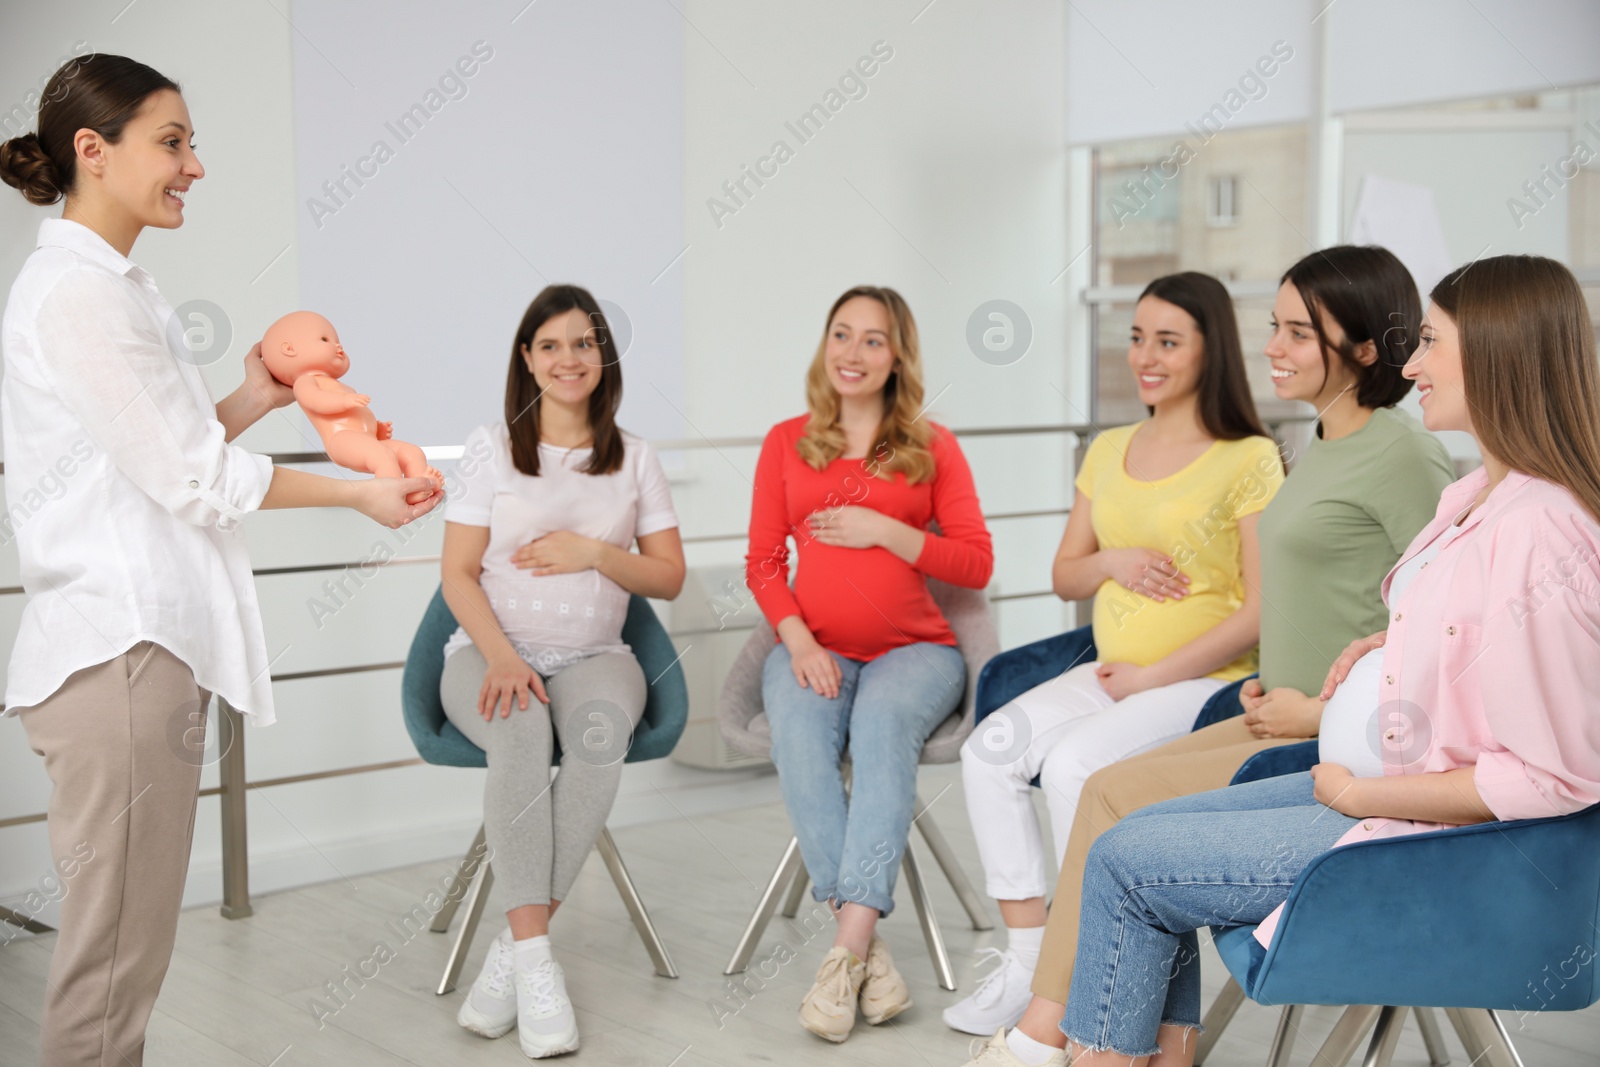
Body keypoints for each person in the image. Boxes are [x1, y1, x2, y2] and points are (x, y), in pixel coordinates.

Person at [985, 253, 1600, 1067]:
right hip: (1368, 795)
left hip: (1412, 834)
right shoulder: (1476, 496)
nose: (1413, 364)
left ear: (1497, 351)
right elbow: (1473, 632)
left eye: (1432, 343)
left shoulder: (1542, 528)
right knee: (1122, 832)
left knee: (1131, 865)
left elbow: (1555, 777)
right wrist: (1392, 641)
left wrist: (1360, 787)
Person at [0, 54, 441, 1067]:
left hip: (135, 650)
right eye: (173, 142)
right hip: (119, 652)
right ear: (91, 151)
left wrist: (249, 395)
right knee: (109, 972)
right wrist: (359, 493)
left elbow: (146, 447)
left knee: (124, 959)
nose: (195, 165)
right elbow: (191, 478)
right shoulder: (78, 295)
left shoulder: (111, 287)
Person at [949, 272, 1283, 1036]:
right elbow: (1066, 570)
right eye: (1137, 337)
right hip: (1110, 672)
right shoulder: (1108, 448)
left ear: (1211, 350)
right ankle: (1033, 961)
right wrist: (1114, 561)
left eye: (1168, 340)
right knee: (989, 747)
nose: (1146, 356)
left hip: (1203, 680)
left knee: (1075, 768)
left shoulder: (1249, 457)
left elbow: (1260, 610)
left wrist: (1152, 677)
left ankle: (1097, 984)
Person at [439, 284, 685, 1059]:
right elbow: (456, 575)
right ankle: (538, 963)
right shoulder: (490, 448)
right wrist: (503, 656)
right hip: (490, 648)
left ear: (603, 356)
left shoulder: (636, 457)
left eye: (583, 343)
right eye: (550, 345)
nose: (568, 358)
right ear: (527, 359)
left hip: (597, 657)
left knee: (599, 729)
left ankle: (513, 953)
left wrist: (595, 554)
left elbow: (669, 577)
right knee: (518, 732)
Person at [745, 285, 993, 1042]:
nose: (852, 354)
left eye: (872, 340)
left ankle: (846, 946)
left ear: (897, 357)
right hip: (814, 649)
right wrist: (799, 640)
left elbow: (975, 563)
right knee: (798, 734)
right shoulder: (786, 441)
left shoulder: (933, 445)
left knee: (883, 729)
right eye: (841, 335)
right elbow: (762, 563)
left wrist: (886, 528)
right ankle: (867, 953)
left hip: (916, 651)